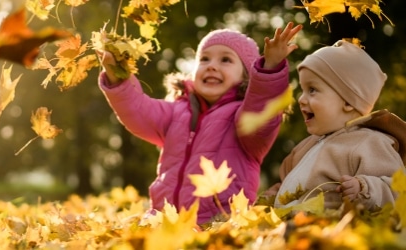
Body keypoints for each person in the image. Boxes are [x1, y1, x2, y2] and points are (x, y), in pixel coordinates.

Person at [97, 22, 302, 224]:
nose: (212, 65)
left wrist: (270, 69)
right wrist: (118, 77)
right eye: (204, 59)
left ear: (246, 76)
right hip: (163, 220)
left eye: (225, 60)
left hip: (217, 223)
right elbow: (138, 110)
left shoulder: (243, 117)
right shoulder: (176, 111)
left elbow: (261, 110)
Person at [262, 40, 406, 210]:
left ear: (348, 102)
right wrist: (276, 194)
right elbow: (291, 184)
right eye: (303, 90)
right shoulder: (306, 146)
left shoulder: (370, 143)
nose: (301, 99)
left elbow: (399, 189)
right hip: (296, 229)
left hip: (332, 230)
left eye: (312, 90)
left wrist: (364, 188)